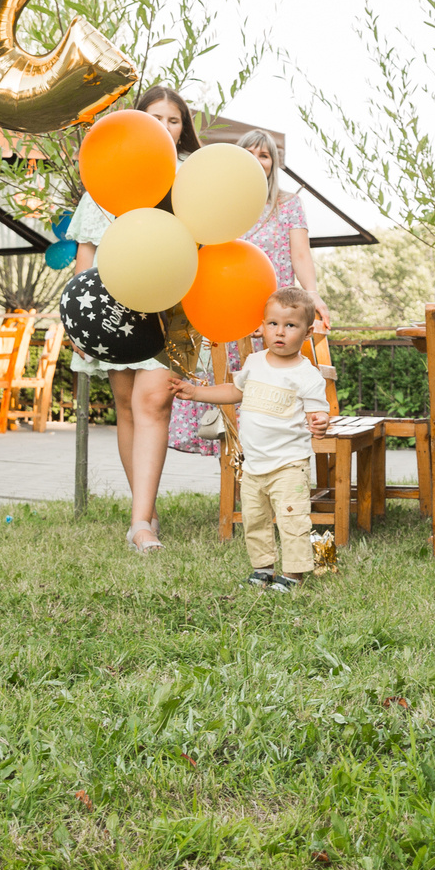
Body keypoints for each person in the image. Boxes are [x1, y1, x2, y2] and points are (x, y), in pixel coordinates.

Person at [71, 84, 215, 551]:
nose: (166, 128)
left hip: (173, 307)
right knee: (128, 406)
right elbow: (86, 255)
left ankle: (140, 526)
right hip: (113, 307)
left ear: (184, 128)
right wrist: (80, 320)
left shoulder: (193, 180)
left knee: (154, 402)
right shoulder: (107, 177)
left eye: (174, 120)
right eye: (156, 118)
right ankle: (144, 509)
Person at [171, 287, 333, 591]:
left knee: (292, 520)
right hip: (253, 464)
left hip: (289, 464)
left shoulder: (306, 374)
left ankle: (294, 575)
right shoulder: (254, 363)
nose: (280, 332)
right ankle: (263, 568)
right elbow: (235, 391)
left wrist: (320, 423)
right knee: (255, 519)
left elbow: (317, 412)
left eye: (290, 325)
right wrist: (197, 392)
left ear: (308, 331)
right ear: (262, 326)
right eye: (273, 324)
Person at [235, 129, 318, 300]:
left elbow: (301, 254)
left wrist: (312, 293)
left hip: (275, 307)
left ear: (272, 164)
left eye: (264, 155)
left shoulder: (289, 204)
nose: (256, 160)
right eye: (249, 153)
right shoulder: (221, 203)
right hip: (230, 299)